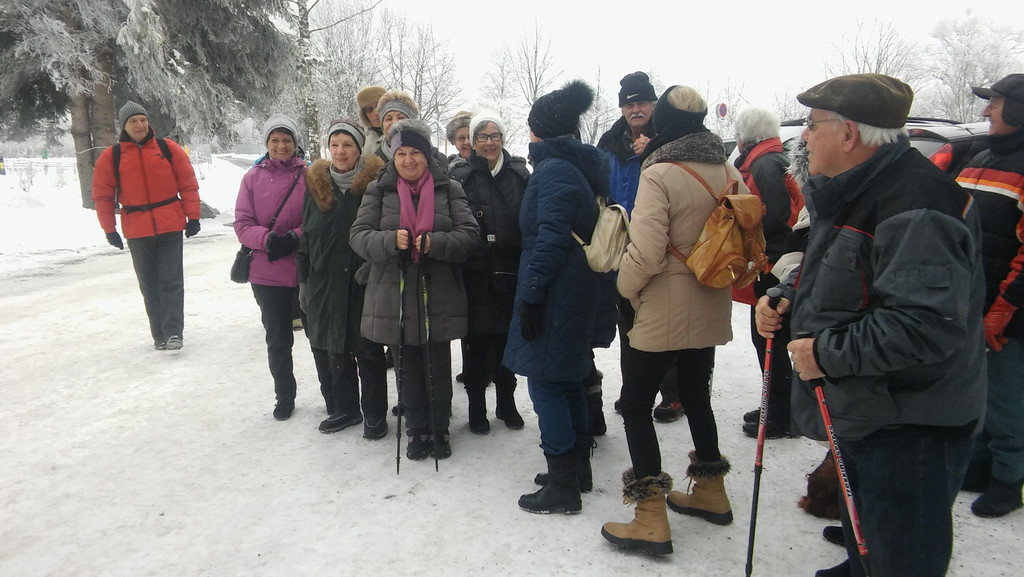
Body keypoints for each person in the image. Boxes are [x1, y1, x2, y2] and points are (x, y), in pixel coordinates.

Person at [755, 73, 985, 577]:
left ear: (848, 133)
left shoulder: (914, 205)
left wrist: (825, 352)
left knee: (902, 557)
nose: (804, 138)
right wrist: (787, 299)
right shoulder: (859, 190)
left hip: (911, 426)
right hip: (871, 408)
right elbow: (849, 276)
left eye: (812, 126)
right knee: (870, 535)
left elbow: (927, 324)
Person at [601, 85, 745, 555]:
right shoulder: (728, 167)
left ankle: (650, 518)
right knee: (696, 393)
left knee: (637, 403)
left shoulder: (659, 170)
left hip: (661, 303)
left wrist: (623, 289)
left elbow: (644, 253)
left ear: (661, 122)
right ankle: (710, 490)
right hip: (711, 296)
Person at [503, 79, 616, 515]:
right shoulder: (578, 168)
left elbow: (548, 240)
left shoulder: (553, 172)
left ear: (540, 132)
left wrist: (531, 296)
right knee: (568, 377)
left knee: (546, 383)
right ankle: (576, 471)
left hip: (555, 294)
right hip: (576, 290)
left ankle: (564, 487)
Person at [350, 118, 479, 461]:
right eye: (401, 153)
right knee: (406, 364)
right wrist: (390, 240)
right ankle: (415, 430)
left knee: (436, 363)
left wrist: (434, 243)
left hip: (437, 290)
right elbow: (359, 236)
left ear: (427, 154)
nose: (408, 160)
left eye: (415, 153)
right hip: (394, 290)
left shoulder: (448, 188)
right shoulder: (379, 189)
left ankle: (439, 429)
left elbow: (469, 235)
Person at [955, 73, 1024, 518]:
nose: (984, 111)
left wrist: (1002, 311)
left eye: (994, 103)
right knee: (976, 393)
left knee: (1006, 398)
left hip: (1009, 311)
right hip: (969, 303)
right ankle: (979, 464)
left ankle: (1009, 477)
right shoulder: (981, 155)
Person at [599, 71, 683, 427]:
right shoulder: (609, 143)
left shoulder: (669, 141)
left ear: (652, 106)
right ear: (622, 109)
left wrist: (651, 153)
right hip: (621, 245)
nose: (636, 109)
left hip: (660, 244)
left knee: (661, 324)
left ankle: (673, 393)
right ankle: (635, 389)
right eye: (629, 104)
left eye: (642, 103)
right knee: (627, 322)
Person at [297, 118, 390, 439]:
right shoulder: (314, 186)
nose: (340, 151)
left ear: (358, 148)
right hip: (325, 282)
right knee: (335, 347)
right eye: (334, 145)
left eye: (347, 144)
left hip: (365, 282)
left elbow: (383, 232)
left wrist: (374, 265)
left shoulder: (374, 185)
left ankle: (376, 413)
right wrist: (304, 281)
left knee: (368, 349)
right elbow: (306, 239)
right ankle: (347, 408)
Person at [92, 100, 202, 351]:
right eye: (133, 121)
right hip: (137, 228)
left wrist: (193, 216)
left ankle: (174, 332)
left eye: (142, 120)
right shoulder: (113, 156)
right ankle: (159, 334)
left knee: (171, 280)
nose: (140, 125)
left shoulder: (168, 148)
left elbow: (188, 183)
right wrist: (109, 229)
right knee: (149, 283)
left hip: (169, 223)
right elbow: (103, 195)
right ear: (125, 126)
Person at [449, 108, 529, 435]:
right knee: (476, 345)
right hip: (475, 274)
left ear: (502, 139)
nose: (488, 142)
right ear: (473, 141)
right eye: (482, 136)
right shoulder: (461, 177)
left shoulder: (519, 175)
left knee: (506, 344)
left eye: (494, 136)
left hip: (510, 272)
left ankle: (506, 404)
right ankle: (476, 408)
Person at [732, 107, 804, 439]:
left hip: (772, 262)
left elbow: (775, 215)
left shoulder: (763, 164)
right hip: (773, 259)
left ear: (747, 135)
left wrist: (748, 234)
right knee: (767, 339)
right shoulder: (769, 160)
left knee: (769, 339)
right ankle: (776, 403)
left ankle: (780, 413)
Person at [234, 114, 308, 421]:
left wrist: (296, 238)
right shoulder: (252, 178)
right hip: (266, 272)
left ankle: (333, 394)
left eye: (287, 139)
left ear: (296, 143)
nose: (281, 145)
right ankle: (285, 396)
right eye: (275, 140)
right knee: (278, 339)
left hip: (305, 268)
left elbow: (321, 219)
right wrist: (267, 240)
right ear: (267, 144)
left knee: (318, 338)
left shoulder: (311, 174)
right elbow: (242, 223)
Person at [373, 90, 419, 162]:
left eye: (401, 118)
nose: (394, 123)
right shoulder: (372, 166)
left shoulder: (431, 159)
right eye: (389, 119)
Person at [356, 85, 386, 159]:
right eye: (370, 109)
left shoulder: (401, 135)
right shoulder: (365, 144)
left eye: (378, 106)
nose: (376, 113)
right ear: (364, 115)